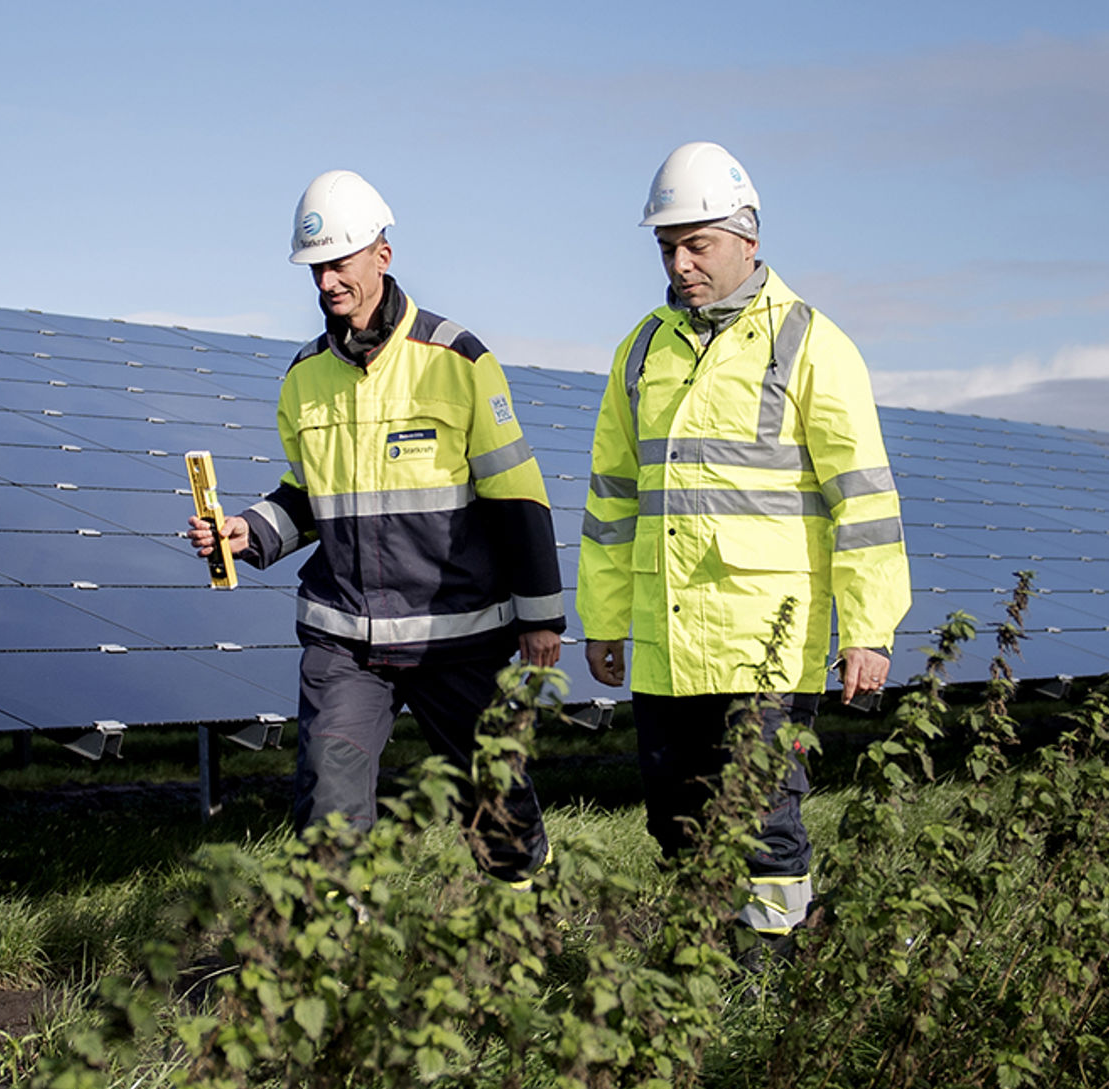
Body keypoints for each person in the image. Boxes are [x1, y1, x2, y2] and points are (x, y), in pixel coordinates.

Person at [188, 169, 564, 885]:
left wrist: (539, 614)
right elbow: (309, 494)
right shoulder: (303, 377)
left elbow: (515, 491)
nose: (328, 281)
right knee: (327, 808)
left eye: (340, 262)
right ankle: (335, 961)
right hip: (345, 639)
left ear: (382, 256)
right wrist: (249, 531)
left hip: (453, 632)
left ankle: (524, 912)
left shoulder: (458, 360)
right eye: (317, 268)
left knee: (496, 802)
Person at [576, 141, 911, 943]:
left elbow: (862, 502)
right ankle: (708, 967)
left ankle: (769, 978)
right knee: (677, 822)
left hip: (766, 645)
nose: (682, 263)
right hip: (663, 643)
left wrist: (868, 630)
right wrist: (605, 618)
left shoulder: (810, 342)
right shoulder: (641, 351)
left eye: (699, 245)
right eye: (668, 247)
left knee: (763, 821)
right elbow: (611, 502)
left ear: (748, 238)